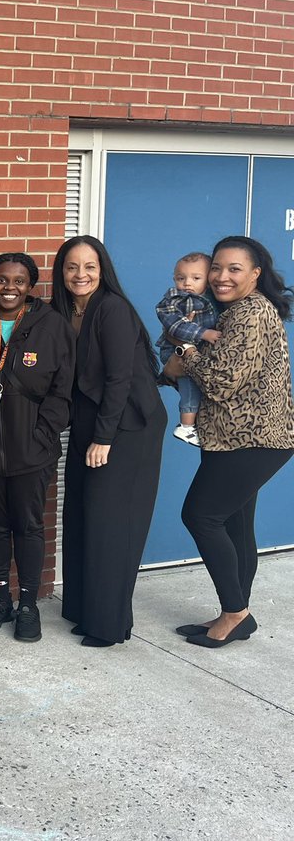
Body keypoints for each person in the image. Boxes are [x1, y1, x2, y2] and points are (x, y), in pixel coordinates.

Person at [176, 236, 294, 648]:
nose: (221, 277)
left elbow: (222, 382)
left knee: (201, 516)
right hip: (235, 438)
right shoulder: (236, 311)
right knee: (235, 523)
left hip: (252, 438)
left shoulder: (249, 313)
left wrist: (185, 356)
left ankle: (236, 613)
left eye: (234, 269)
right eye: (217, 268)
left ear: (255, 273)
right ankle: (235, 611)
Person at [51, 235, 165, 648]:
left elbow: (118, 379)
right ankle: (85, 611)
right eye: (71, 267)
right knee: (81, 516)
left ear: (103, 271)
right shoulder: (65, 311)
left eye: (90, 267)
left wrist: (103, 438)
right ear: (61, 273)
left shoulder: (112, 309)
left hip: (126, 428)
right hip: (89, 424)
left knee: (110, 524)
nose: (80, 275)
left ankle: (109, 624)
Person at [0, 253, 75, 643]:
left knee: (29, 526)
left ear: (31, 286)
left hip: (32, 450)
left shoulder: (52, 326)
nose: (9, 288)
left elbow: (63, 390)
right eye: (2, 280)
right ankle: (1, 600)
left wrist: (43, 435)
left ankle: (28, 604)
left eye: (18, 281)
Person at [154, 252, 220, 446]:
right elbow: (175, 327)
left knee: (198, 385)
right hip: (174, 352)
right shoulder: (174, 301)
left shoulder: (210, 298)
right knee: (189, 385)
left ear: (207, 280)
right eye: (181, 278)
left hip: (195, 353)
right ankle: (186, 427)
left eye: (196, 278)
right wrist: (204, 334)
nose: (187, 284)